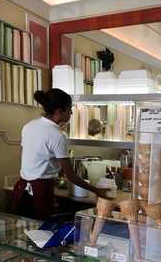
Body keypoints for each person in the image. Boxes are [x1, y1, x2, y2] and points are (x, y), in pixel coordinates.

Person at [11, 88, 110, 220]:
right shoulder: (58, 135)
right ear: (59, 111)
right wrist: (96, 190)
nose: (71, 113)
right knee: (43, 234)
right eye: (69, 109)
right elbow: (71, 176)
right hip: (41, 192)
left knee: (24, 233)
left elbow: (22, 157)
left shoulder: (29, 126)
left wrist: (38, 171)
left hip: (21, 190)